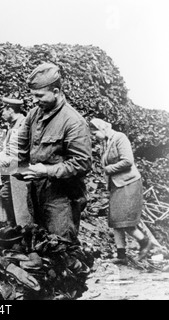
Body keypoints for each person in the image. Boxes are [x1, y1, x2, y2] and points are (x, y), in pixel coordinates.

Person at [16, 62, 92, 243]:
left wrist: (47, 170)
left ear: (56, 92)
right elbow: (21, 147)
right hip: (35, 194)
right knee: (41, 247)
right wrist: (14, 164)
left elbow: (82, 163)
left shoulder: (73, 122)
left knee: (61, 248)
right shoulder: (34, 115)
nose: (34, 100)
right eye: (33, 95)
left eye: (39, 95)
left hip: (62, 199)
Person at [90, 118, 152, 263]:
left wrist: (108, 169)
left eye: (94, 133)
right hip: (116, 184)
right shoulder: (104, 143)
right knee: (115, 220)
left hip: (129, 183)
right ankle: (121, 255)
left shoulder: (119, 138)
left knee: (125, 221)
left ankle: (144, 241)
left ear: (102, 129)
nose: (94, 137)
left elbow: (127, 161)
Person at [0, 97, 27, 226]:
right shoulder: (13, 125)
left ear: (10, 110)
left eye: (4, 109)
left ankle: (16, 228)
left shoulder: (22, 126)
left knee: (16, 202)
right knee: (5, 196)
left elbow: (17, 154)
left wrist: (0, 166)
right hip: (11, 170)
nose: (2, 113)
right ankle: (12, 227)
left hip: (19, 172)